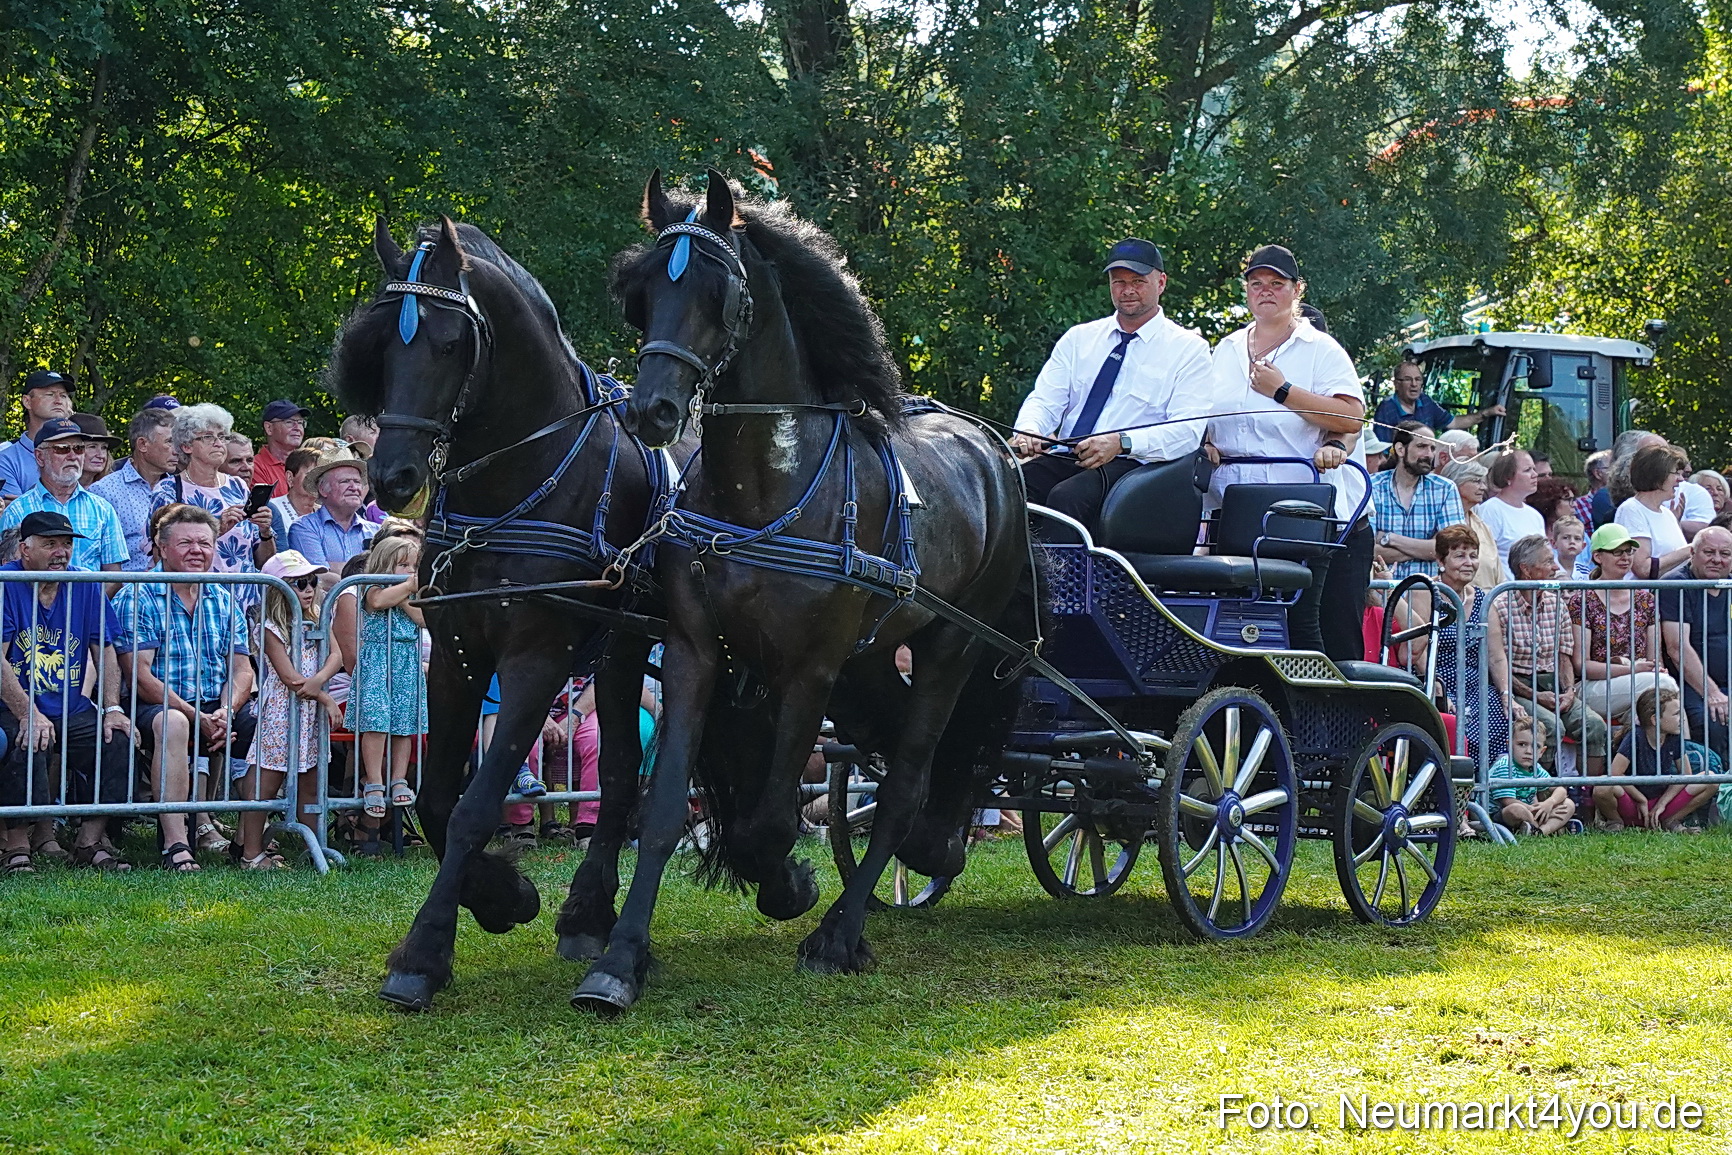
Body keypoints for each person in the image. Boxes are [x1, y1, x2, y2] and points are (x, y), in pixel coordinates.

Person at [1206, 244, 1374, 660]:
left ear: (1297, 289)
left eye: (1276, 283)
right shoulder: (1224, 350)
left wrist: (1282, 390)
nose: (1265, 290)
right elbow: (1201, 413)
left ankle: (1320, 700)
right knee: (1238, 622)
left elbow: (1352, 418)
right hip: (1233, 509)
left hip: (1300, 511)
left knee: (1304, 625)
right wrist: (1205, 442)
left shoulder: (1320, 349)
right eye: (1256, 283)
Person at [1010, 238, 1214, 529]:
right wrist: (1029, 430)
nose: (1127, 290)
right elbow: (1044, 400)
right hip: (1069, 455)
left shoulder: (1189, 349)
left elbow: (1187, 432)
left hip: (1134, 464)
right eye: (1119, 282)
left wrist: (1122, 442)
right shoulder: (1079, 339)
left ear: (1161, 283)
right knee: (1008, 485)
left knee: (1067, 497)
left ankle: (1062, 562)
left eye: (1138, 281)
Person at [110, 505, 256, 872]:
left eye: (205, 543)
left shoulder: (223, 597)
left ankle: (248, 843)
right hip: (154, 704)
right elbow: (140, 677)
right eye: (186, 543)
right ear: (161, 547)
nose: (197, 551)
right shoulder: (137, 595)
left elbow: (242, 670)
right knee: (174, 723)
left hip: (214, 704)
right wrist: (197, 717)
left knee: (269, 723)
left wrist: (226, 710)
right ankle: (176, 843)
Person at [0, 512, 134, 872]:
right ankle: (17, 846)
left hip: (71, 706)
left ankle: (89, 841)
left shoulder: (84, 583)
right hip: (12, 705)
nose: (61, 552)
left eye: (67, 543)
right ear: (25, 550)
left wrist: (112, 708)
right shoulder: (6, 582)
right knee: (26, 739)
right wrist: (27, 712)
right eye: (50, 544)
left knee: (117, 740)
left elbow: (105, 649)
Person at [236, 550, 343, 869]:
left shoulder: (319, 616)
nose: (308, 589)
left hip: (310, 715)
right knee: (266, 783)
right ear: (278, 588)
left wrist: (319, 682)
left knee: (311, 780)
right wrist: (324, 697)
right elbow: (289, 678)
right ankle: (250, 853)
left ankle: (315, 847)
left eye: (312, 582)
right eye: (299, 583)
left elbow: (336, 655)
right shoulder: (270, 627)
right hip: (281, 712)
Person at [1396, 524, 1516, 765]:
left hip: (1475, 684)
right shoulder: (1425, 592)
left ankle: (1488, 783)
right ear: (1441, 561)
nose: (1469, 563)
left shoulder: (1483, 599)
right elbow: (1419, 649)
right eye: (1460, 556)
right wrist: (1436, 685)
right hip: (1435, 679)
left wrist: (1506, 694)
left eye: (1473, 556)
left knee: (1503, 718)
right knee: (1456, 725)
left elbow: (1496, 656)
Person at [1493, 534, 1608, 776]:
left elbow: (1563, 656)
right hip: (1518, 685)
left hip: (1553, 683)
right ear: (1526, 570)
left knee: (1595, 725)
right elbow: (1498, 664)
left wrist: (1569, 692)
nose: (1555, 567)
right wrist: (1535, 695)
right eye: (1548, 561)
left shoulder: (1557, 604)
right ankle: (1539, 792)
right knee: (1549, 726)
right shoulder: (1500, 606)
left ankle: (1591, 795)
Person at [151, 404, 277, 592]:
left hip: (246, 599)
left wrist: (265, 532)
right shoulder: (169, 489)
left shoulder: (237, 486)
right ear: (186, 446)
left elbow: (264, 561)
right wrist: (218, 529)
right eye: (208, 437)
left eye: (222, 436)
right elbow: (159, 554)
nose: (218, 443)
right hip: (197, 597)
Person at [347, 535, 426, 819]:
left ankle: (398, 779)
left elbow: (421, 619)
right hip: (378, 660)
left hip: (406, 660)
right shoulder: (372, 586)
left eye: (414, 566)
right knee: (376, 720)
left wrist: (404, 595)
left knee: (403, 724)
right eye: (403, 565)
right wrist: (407, 588)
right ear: (384, 564)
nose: (410, 571)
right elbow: (379, 601)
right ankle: (374, 781)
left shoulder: (411, 592)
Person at [1569, 523, 1676, 729]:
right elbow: (1582, 665)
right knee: (1664, 688)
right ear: (1598, 557)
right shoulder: (1582, 600)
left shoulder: (1646, 600)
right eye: (1617, 551)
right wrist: (1632, 670)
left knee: (1657, 708)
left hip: (1641, 682)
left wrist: (1655, 668)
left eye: (1629, 551)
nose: (1625, 557)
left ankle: (1664, 749)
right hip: (1593, 686)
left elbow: (1654, 659)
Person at [0, 418, 127, 573]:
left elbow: (113, 575)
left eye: (79, 448)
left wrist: (88, 593)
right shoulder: (16, 511)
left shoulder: (103, 509)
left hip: (88, 590)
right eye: (62, 449)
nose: (73, 456)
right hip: (33, 590)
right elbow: (9, 573)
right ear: (40, 457)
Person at [1658, 525, 1732, 769]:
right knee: (1713, 720)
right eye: (1709, 552)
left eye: (1725, 554)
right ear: (1692, 552)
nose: (1717, 560)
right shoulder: (1675, 585)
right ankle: (1714, 787)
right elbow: (1677, 648)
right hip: (1691, 684)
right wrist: (1712, 692)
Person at [1592, 685, 1715, 832]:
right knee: (1602, 787)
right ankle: (1616, 821)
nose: (1682, 718)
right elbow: (1615, 773)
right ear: (1655, 719)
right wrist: (1640, 799)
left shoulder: (1674, 737)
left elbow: (1685, 775)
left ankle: (1671, 820)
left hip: (1661, 805)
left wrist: (1662, 804)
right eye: (1676, 714)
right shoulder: (1635, 736)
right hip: (1634, 804)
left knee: (1711, 779)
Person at [89, 407, 178, 572]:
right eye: (169, 442)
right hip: (129, 585)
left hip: (176, 585)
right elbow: (93, 555)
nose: (177, 450)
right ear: (143, 444)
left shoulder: (180, 487)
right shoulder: (104, 491)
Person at [1371, 421, 1462, 579]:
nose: (1429, 454)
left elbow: (1451, 548)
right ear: (1400, 449)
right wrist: (1426, 550)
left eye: (1432, 448)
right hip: (1381, 590)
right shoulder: (1372, 486)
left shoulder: (1445, 489)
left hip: (1427, 589)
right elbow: (1367, 550)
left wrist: (1390, 538)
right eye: (1421, 446)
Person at [285, 446, 377, 577]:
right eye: (345, 481)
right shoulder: (304, 528)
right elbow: (320, 577)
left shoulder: (375, 531)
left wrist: (333, 567)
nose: (354, 487)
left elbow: (386, 573)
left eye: (357, 482)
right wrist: (369, 571)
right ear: (323, 489)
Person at [1371, 357, 1502, 439]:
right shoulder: (1386, 409)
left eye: (1418, 379)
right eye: (1408, 379)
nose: (1414, 384)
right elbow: (1383, 453)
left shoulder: (1425, 401)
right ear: (1396, 384)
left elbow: (1454, 423)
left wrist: (1486, 413)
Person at [1615, 442, 1691, 580]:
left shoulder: (1667, 514)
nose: (1680, 479)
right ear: (1657, 476)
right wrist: (1690, 550)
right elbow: (1643, 569)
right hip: (1645, 594)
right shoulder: (1632, 510)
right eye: (1676, 473)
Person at [1489, 717, 1576, 835]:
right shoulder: (1505, 766)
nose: (1529, 751)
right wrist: (1537, 811)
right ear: (1509, 746)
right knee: (1516, 809)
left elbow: (1560, 789)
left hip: (1531, 811)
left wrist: (1549, 803)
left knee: (1568, 804)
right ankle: (1544, 827)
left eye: (1536, 746)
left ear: (1542, 752)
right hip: (1497, 815)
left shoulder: (1536, 768)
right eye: (1522, 744)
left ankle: (1540, 832)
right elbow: (1508, 801)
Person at [0, 370, 75, 499]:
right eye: (50, 394)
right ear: (27, 401)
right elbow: (16, 509)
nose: (58, 401)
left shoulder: (79, 453)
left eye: (63, 396)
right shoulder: (6, 459)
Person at [1475, 449, 1544, 575]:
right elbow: (1484, 558)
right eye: (1527, 470)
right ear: (1508, 477)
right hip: (1503, 586)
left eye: (1534, 469)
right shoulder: (1490, 510)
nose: (1535, 474)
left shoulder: (1535, 515)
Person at [1439, 457, 1503, 588]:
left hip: (1488, 598)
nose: (1483, 487)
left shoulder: (1482, 526)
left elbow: (1499, 576)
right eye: (1476, 481)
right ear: (1456, 483)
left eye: (1483, 482)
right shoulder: (1439, 524)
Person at [251, 400, 311, 497]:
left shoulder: (308, 464)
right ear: (269, 428)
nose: (297, 428)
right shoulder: (255, 467)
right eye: (289, 422)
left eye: (300, 423)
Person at [268, 447, 320, 543]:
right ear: (290, 477)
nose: (317, 480)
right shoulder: (273, 509)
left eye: (320, 475)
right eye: (310, 474)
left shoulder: (325, 512)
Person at [71, 413, 121, 486]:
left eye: (104, 447)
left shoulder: (113, 487)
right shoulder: (55, 488)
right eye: (92, 447)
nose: (101, 455)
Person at [1574, 450, 1611, 528]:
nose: (1617, 471)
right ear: (1598, 473)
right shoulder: (1578, 506)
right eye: (1612, 467)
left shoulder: (1622, 500)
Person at [1550, 513, 1587, 579]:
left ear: (1583, 546)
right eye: (1566, 537)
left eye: (1577, 538)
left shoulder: (1585, 572)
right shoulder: (1550, 571)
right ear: (1554, 543)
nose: (1572, 542)